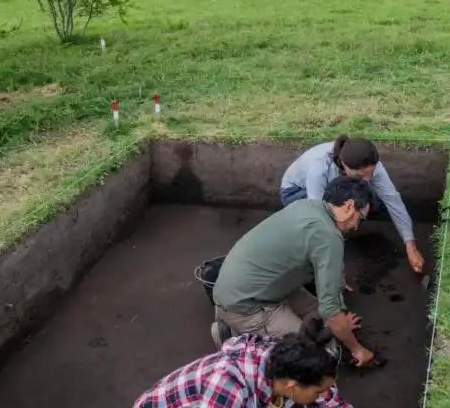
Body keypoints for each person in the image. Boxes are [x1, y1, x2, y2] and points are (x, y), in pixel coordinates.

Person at [211, 175, 377, 368]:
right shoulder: (328, 237)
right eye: (361, 218)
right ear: (349, 206)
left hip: (248, 285)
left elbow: (328, 304)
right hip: (246, 306)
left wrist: (337, 320)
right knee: (311, 356)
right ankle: (238, 342)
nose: (358, 226)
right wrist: (357, 350)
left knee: (319, 317)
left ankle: (241, 328)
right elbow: (331, 310)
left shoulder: (308, 206)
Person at [278, 135, 425, 274]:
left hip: (334, 189)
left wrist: (410, 245)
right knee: (328, 220)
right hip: (297, 192)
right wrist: (335, 267)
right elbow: (317, 214)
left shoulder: (371, 165)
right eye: (361, 176)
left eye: (370, 174)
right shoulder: (320, 167)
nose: (367, 180)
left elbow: (393, 200)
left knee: (376, 202)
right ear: (344, 165)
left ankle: (345, 226)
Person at [132, 318, 353, 408]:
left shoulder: (277, 358)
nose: (325, 395)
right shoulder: (227, 390)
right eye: (319, 391)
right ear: (292, 386)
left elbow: (329, 398)